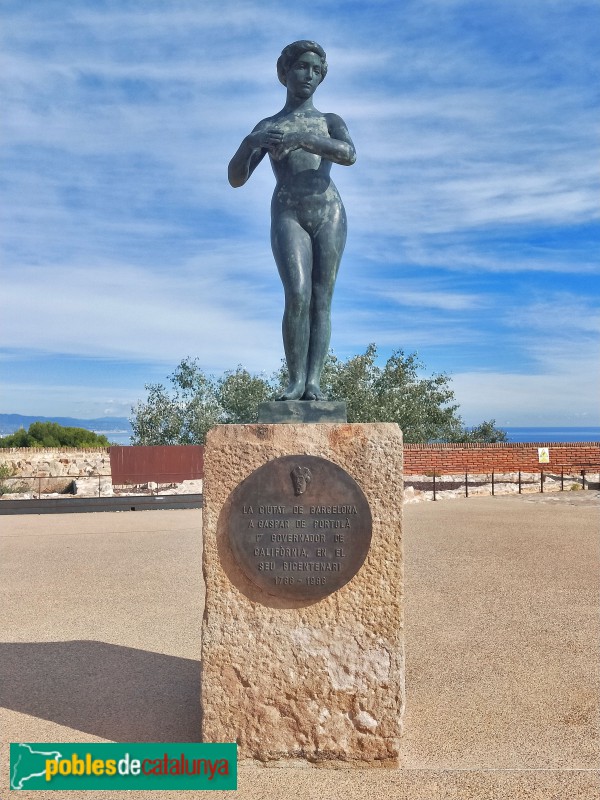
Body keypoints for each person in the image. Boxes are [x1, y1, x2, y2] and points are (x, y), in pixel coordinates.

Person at [228, 41, 356, 401]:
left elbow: (349, 154)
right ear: (285, 72)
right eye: (302, 67)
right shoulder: (269, 125)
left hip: (328, 211)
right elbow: (237, 177)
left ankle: (314, 381)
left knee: (321, 297)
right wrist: (250, 142)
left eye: (316, 70)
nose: (309, 76)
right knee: (296, 294)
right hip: (288, 211)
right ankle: (295, 379)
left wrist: (304, 138)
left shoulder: (329, 121)